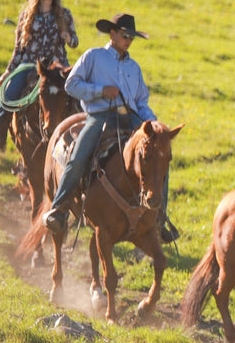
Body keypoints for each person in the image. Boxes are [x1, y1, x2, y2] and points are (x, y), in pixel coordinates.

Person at [42, 13, 176, 243]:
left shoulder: (134, 68)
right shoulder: (94, 56)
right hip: (100, 116)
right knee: (79, 154)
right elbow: (71, 85)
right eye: (125, 35)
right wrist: (101, 90)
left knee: (160, 156)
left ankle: (160, 217)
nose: (128, 40)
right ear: (112, 34)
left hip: (132, 119)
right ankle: (59, 208)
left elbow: (141, 102)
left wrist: (153, 124)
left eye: (131, 37)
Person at [0, 0, 78, 156]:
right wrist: (9, 71)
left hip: (57, 68)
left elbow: (75, 43)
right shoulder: (26, 16)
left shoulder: (64, 15)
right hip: (29, 66)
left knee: (76, 95)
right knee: (10, 94)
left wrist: (68, 37)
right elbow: (19, 48)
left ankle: (79, 136)